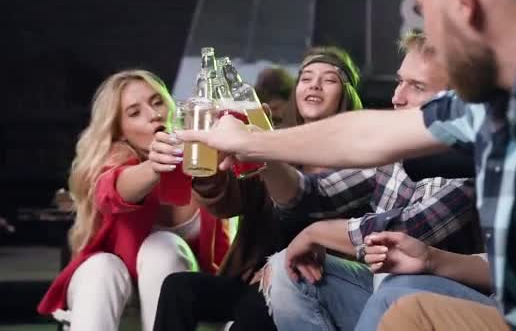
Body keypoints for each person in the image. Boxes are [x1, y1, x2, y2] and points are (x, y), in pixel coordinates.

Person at [176, 0, 516, 329]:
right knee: (333, 284)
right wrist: (253, 141)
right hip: (510, 308)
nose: (431, 38)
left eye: (423, 10)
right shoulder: (503, 94)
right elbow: (368, 136)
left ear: (464, 2)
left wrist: (322, 228)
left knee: (404, 302)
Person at [255, 30, 486, 331]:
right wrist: (258, 148)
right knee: (286, 269)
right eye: (399, 81)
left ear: (458, 102)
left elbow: (409, 232)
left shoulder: (473, 156)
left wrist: (317, 232)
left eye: (416, 87)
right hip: (387, 287)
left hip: (453, 304)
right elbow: (312, 193)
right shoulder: (396, 146)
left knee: (397, 288)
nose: (396, 97)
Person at [152, 46, 365, 331]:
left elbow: (361, 236)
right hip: (252, 278)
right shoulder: (271, 143)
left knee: (256, 306)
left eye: (328, 79)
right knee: (179, 288)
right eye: (306, 77)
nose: (314, 84)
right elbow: (229, 204)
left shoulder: (361, 159)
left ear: (347, 94)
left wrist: (281, 269)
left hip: (313, 281)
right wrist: (208, 170)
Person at [37, 70, 230, 331]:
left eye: (157, 101)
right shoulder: (113, 163)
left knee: (162, 246)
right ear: (121, 131)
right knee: (101, 267)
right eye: (134, 112)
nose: (153, 115)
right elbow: (109, 191)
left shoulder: (202, 159)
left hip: (185, 290)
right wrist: (154, 167)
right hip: (108, 284)